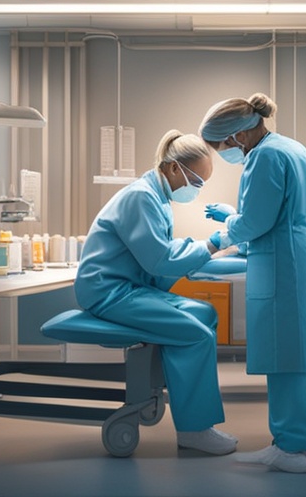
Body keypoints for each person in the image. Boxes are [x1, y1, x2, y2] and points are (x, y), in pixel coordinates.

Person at [198, 93, 306, 473]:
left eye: (221, 146)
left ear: (238, 135)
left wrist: (218, 238)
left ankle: (292, 450)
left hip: (284, 262)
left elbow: (256, 222)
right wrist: (239, 216)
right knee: (303, 356)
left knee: (285, 356)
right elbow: (281, 209)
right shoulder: (292, 148)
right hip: (305, 253)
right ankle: (301, 442)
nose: (223, 153)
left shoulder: (263, 157)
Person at [74, 129, 237, 455]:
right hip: (109, 292)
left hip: (131, 287)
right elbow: (160, 259)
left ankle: (170, 389)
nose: (197, 189)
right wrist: (212, 244)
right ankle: (195, 429)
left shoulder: (157, 197)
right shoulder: (140, 197)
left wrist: (207, 256)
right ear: (175, 168)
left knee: (205, 313)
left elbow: (162, 255)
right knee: (195, 333)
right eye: (197, 181)